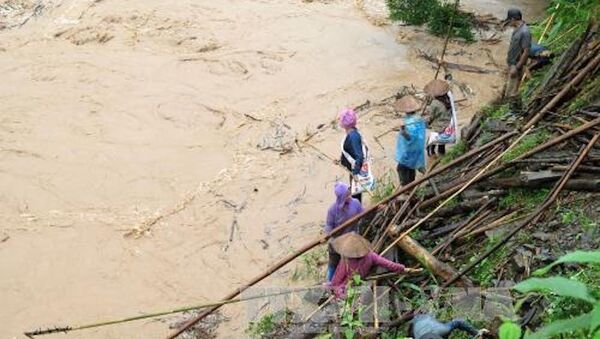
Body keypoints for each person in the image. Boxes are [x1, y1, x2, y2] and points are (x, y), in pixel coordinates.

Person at [326, 232, 420, 298]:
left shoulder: (346, 260)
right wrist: (402, 268)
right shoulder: (371, 256)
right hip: (360, 283)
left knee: (334, 288)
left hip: (347, 286)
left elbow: (338, 277)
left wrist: (333, 287)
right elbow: (388, 264)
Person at [324, 182, 364, 281]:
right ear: (341, 197)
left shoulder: (356, 203)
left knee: (349, 263)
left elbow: (364, 214)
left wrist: (376, 209)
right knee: (333, 264)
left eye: (349, 193)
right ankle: (329, 283)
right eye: (346, 194)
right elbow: (328, 226)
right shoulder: (332, 210)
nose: (349, 195)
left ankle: (346, 280)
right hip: (336, 241)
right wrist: (329, 234)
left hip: (351, 240)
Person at [339, 108, 370, 202]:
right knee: (355, 191)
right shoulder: (352, 133)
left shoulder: (353, 137)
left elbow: (359, 156)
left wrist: (355, 173)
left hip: (356, 170)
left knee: (356, 193)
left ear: (344, 123)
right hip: (353, 168)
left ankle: (358, 212)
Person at [503, 8, 531, 109]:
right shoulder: (517, 29)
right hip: (512, 64)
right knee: (509, 88)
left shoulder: (525, 32)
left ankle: (512, 110)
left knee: (512, 92)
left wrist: (517, 67)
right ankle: (509, 107)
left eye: (509, 20)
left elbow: (526, 52)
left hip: (516, 66)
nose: (508, 23)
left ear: (513, 19)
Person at [394, 95, 426, 186]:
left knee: (401, 169)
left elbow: (410, 137)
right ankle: (411, 186)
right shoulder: (418, 119)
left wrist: (403, 131)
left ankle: (405, 189)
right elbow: (418, 135)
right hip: (416, 150)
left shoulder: (410, 122)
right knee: (411, 169)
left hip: (408, 152)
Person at [423, 79, 458, 157]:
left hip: (438, 127)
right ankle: (441, 155)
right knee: (441, 145)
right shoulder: (448, 100)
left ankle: (431, 153)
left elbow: (430, 116)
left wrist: (426, 122)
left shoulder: (435, 103)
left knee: (432, 142)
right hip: (447, 126)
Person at [410, 313, 489, 339]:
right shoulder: (442, 329)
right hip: (439, 331)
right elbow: (459, 321)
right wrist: (476, 332)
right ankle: (478, 333)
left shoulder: (413, 327)